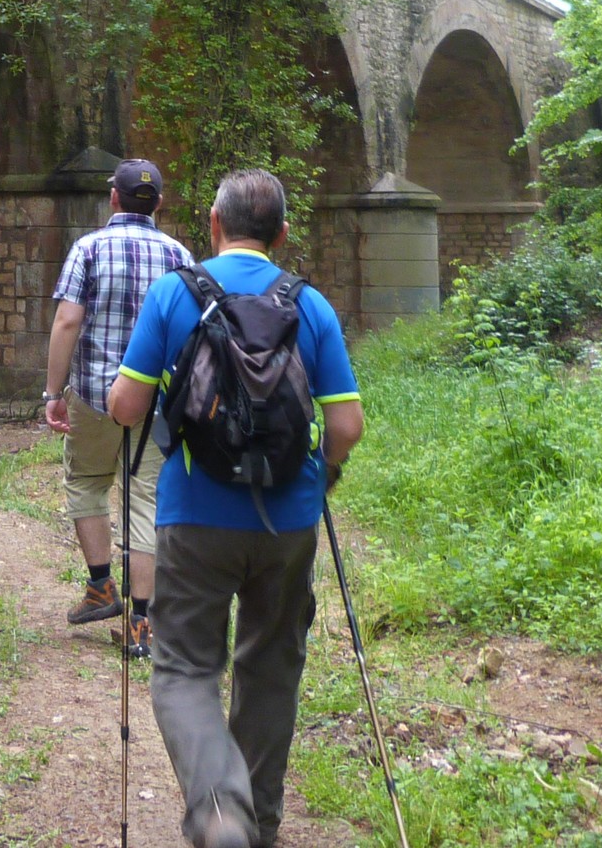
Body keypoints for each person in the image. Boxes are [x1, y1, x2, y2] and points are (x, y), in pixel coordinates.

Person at [108, 169, 364, 848]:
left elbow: (126, 407)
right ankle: (259, 826)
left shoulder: (175, 293)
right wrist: (324, 473)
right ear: (281, 234)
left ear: (214, 224)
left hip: (195, 515)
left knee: (185, 668)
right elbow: (346, 425)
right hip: (289, 520)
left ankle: (222, 811)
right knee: (270, 669)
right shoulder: (310, 305)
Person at [43, 157, 190, 649]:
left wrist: (53, 393)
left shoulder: (88, 249)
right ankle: (141, 622)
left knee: (86, 480)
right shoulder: (179, 256)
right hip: (155, 400)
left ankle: (101, 586)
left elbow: (67, 322)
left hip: (94, 395)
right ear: (159, 204)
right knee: (145, 497)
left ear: (113, 198)